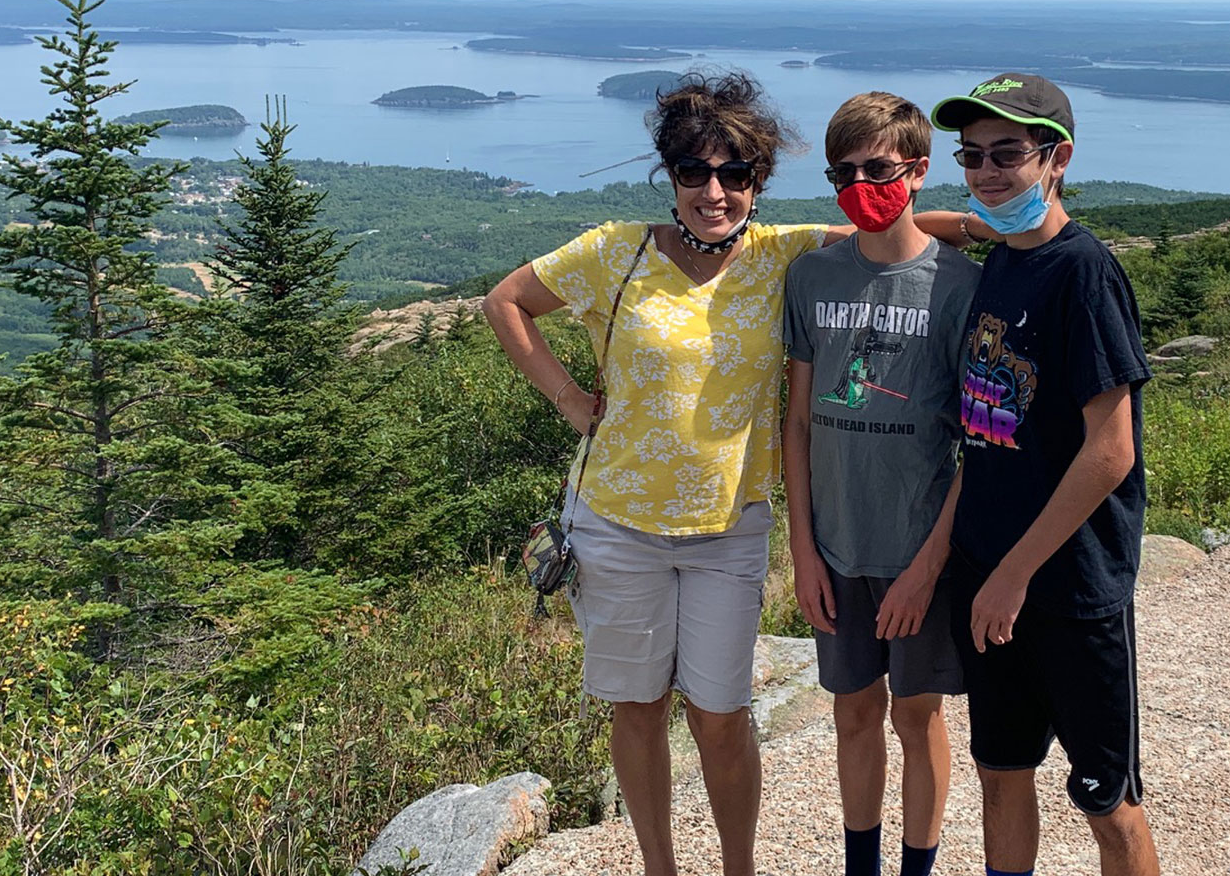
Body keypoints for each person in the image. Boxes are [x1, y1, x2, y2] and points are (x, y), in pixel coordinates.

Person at [482, 71, 984, 876]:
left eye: (735, 173)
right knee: (638, 710)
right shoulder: (615, 250)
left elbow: (883, 230)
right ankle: (659, 868)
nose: (713, 191)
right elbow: (504, 302)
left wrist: (992, 224)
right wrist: (574, 402)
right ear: (669, 175)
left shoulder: (783, 255)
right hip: (615, 523)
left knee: (722, 715)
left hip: (728, 529)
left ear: (758, 181)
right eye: (693, 172)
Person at [929, 74, 1160, 876]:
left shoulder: (1083, 273)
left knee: (1107, 801)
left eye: (1008, 155)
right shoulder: (1000, 254)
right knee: (1001, 774)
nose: (988, 172)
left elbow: (1111, 450)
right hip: (990, 573)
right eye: (971, 156)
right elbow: (944, 222)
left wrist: (1013, 576)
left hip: (1065, 588)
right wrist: (851, 233)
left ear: (1056, 158)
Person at [783, 92, 981, 876]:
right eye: (844, 172)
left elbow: (981, 447)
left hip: (917, 549)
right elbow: (797, 424)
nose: (860, 183)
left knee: (918, 716)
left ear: (919, 170)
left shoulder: (960, 288)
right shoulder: (810, 278)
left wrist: (929, 566)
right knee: (853, 712)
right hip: (835, 546)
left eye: (878, 168)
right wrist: (801, 552)